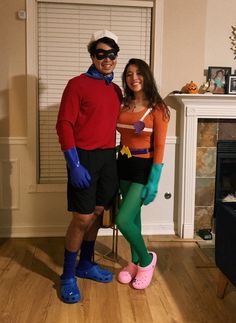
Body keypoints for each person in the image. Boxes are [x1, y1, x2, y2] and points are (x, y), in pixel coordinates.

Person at [56, 30, 122, 303]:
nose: (107, 59)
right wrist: (74, 164)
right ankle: (68, 275)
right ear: (93, 56)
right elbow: (64, 124)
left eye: (112, 54)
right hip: (83, 158)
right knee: (81, 218)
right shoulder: (76, 84)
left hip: (109, 157)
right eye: (101, 54)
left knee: (96, 213)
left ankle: (86, 263)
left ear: (116, 58)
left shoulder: (116, 89)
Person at [116, 58, 170, 289]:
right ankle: (135, 261)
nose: (134, 78)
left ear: (146, 76)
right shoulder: (123, 104)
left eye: (138, 73)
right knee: (134, 220)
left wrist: (154, 182)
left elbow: (159, 147)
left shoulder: (158, 108)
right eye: (129, 74)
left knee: (123, 220)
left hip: (143, 168)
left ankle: (147, 261)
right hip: (123, 163)